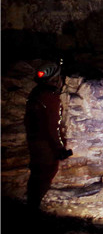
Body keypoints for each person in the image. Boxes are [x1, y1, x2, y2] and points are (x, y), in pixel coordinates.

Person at [25, 62, 72, 210]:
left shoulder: (35, 94)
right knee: (45, 174)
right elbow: (53, 125)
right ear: (55, 79)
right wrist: (59, 147)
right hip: (46, 144)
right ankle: (33, 211)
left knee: (36, 174)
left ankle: (31, 207)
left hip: (34, 140)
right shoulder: (50, 97)